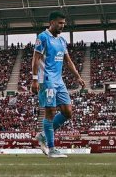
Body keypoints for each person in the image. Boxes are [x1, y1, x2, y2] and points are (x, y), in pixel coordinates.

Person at [30, 11, 87, 159]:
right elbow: (35, 59)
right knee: (50, 113)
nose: (62, 26)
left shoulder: (62, 41)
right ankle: (52, 148)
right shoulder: (43, 37)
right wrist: (35, 79)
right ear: (52, 22)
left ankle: (43, 135)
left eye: (63, 23)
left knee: (68, 112)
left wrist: (78, 77)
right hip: (46, 80)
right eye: (59, 23)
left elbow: (68, 61)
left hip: (59, 80)